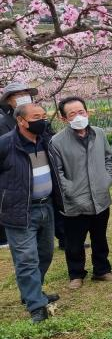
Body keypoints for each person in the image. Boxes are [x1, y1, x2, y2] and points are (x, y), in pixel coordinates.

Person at [0, 103, 63, 322]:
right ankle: (36, 305)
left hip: (46, 207)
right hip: (20, 210)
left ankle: (31, 293)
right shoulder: (6, 144)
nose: (42, 121)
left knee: (45, 254)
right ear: (21, 120)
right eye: (36, 117)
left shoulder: (45, 140)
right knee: (26, 259)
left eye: (44, 116)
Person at [49, 97, 112, 290]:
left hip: (100, 197)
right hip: (74, 202)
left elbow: (108, 157)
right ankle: (76, 274)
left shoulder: (99, 133)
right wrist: (70, 190)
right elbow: (57, 172)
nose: (78, 116)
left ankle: (102, 270)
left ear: (87, 112)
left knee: (100, 237)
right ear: (64, 119)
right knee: (74, 242)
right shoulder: (57, 141)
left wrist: (107, 179)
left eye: (81, 112)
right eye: (72, 114)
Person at [0, 83, 61, 251]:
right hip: (19, 200)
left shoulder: (41, 124)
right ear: (8, 100)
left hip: (46, 198)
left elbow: (51, 139)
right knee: (26, 258)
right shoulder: (4, 127)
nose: (23, 97)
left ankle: (64, 238)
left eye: (25, 93)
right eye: (18, 95)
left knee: (45, 253)